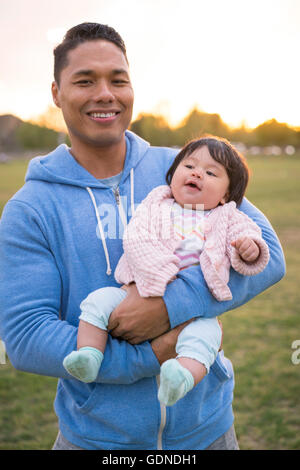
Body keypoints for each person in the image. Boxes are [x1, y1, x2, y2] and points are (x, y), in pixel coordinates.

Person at [0, 23, 285, 450]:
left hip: (207, 433)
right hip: (97, 442)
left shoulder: (185, 168)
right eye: (84, 80)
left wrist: (169, 307)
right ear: (56, 92)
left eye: (118, 80)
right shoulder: (30, 208)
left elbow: (268, 255)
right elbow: (26, 336)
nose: (105, 94)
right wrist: (146, 356)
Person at [63, 136, 270, 408]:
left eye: (211, 173)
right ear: (173, 176)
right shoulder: (157, 205)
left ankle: (181, 378)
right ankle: (89, 354)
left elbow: (251, 235)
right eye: (189, 166)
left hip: (196, 311)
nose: (197, 173)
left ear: (226, 196)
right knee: (98, 302)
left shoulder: (228, 216)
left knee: (207, 337)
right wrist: (158, 272)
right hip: (137, 289)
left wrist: (249, 248)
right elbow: (136, 237)